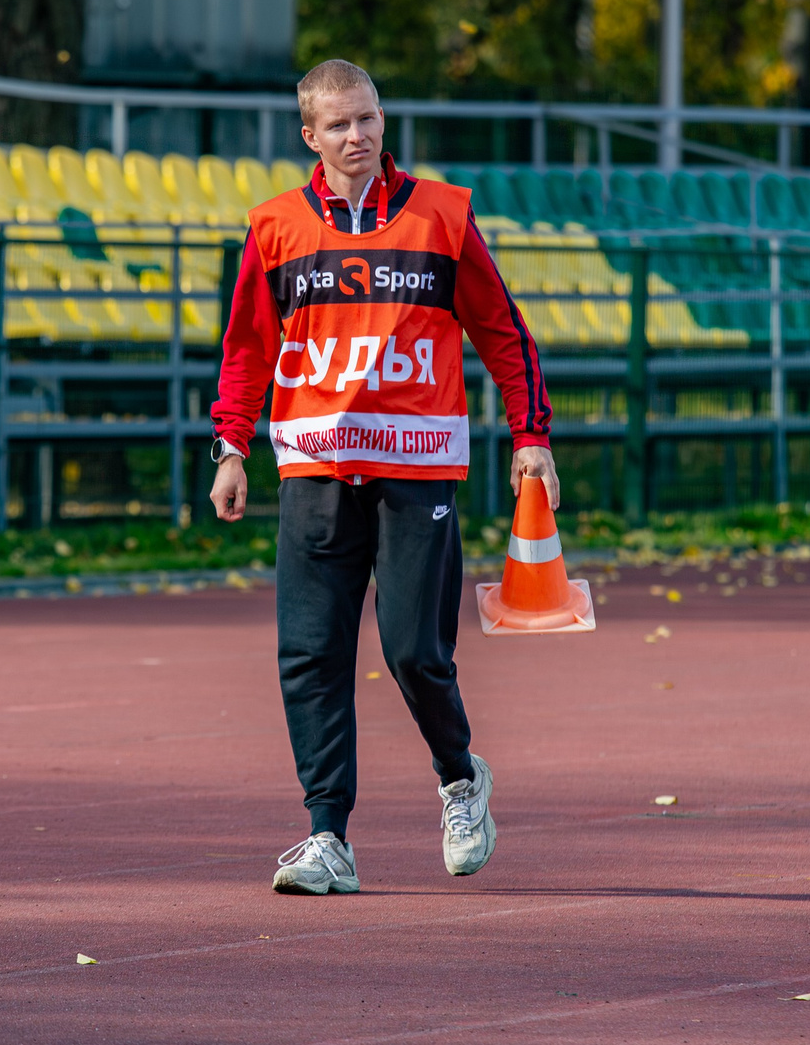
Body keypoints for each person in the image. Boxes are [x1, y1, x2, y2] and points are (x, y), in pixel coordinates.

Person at [209, 58, 557, 895]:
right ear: (310, 136)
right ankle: (328, 834)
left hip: (418, 473)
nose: (357, 135)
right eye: (339, 125)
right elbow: (248, 347)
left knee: (413, 651)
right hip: (316, 474)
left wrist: (531, 434)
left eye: (367, 118)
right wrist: (231, 445)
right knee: (310, 655)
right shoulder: (276, 228)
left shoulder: (442, 215)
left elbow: (502, 331)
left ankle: (460, 775)